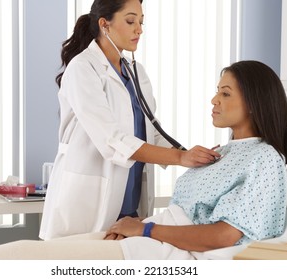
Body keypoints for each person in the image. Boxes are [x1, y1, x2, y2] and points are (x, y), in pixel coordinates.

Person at [0, 60, 287, 260]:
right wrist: (145, 228)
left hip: (165, 253)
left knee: (19, 260)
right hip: (150, 239)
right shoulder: (220, 153)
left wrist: (147, 228)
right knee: (19, 252)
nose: (213, 99)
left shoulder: (263, 160)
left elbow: (226, 236)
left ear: (256, 101)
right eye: (216, 89)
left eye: (225, 92)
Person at [40, 0, 220, 240]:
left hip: (130, 206)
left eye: (141, 22)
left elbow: (151, 132)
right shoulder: (82, 68)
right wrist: (180, 158)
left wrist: (192, 156)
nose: (139, 29)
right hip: (89, 204)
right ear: (105, 24)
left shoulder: (136, 71)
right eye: (130, 21)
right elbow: (111, 140)